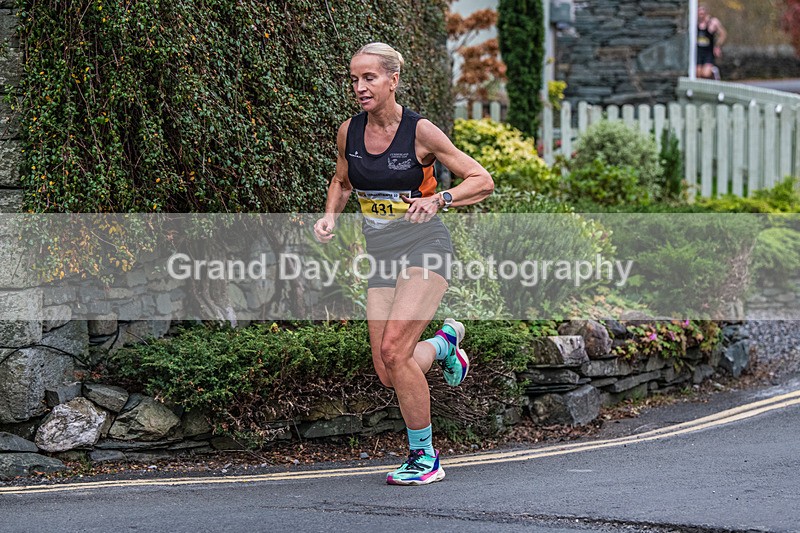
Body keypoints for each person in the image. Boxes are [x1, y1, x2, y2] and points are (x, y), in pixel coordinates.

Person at [313, 42, 494, 486]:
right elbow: (341, 181)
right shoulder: (349, 133)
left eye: (369, 77)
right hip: (381, 255)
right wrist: (330, 216)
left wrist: (439, 199)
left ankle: (424, 457)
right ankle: (445, 345)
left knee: (395, 350)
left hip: (424, 246)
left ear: (393, 80)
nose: (359, 87)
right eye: (354, 79)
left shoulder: (421, 132)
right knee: (387, 368)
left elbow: (482, 180)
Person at [696, 4, 727, 80]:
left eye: (702, 12)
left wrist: (717, 46)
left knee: (706, 73)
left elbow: (723, 34)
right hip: (697, 52)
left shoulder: (712, 22)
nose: (701, 14)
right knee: (698, 74)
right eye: (699, 12)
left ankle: (714, 75)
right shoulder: (694, 22)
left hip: (708, 52)